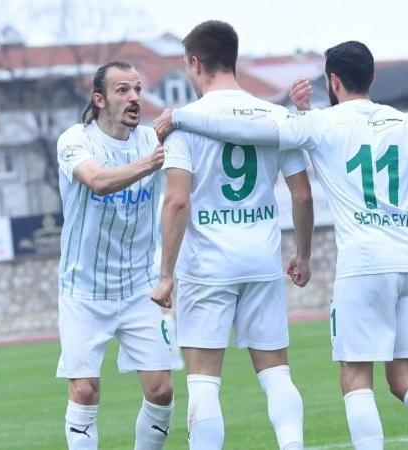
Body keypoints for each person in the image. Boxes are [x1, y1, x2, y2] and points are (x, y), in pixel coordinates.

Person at [155, 41, 408, 450]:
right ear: (372, 78)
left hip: (363, 263)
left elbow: (248, 131)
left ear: (333, 81)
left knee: (356, 379)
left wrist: (183, 118)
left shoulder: (320, 124)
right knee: (407, 377)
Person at [149, 20, 314, 450]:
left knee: (204, 381)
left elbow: (177, 201)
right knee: (276, 373)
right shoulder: (277, 117)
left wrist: (165, 275)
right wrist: (304, 254)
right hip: (261, 259)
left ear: (195, 62)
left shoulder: (182, 124)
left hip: (207, 264)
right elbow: (301, 193)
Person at [55, 61, 173, 450]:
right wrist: (150, 161)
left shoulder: (152, 139)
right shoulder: (75, 140)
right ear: (100, 99)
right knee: (84, 391)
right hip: (83, 290)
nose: (134, 97)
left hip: (139, 288)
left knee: (161, 391)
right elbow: (98, 181)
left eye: (137, 89)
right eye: (123, 90)